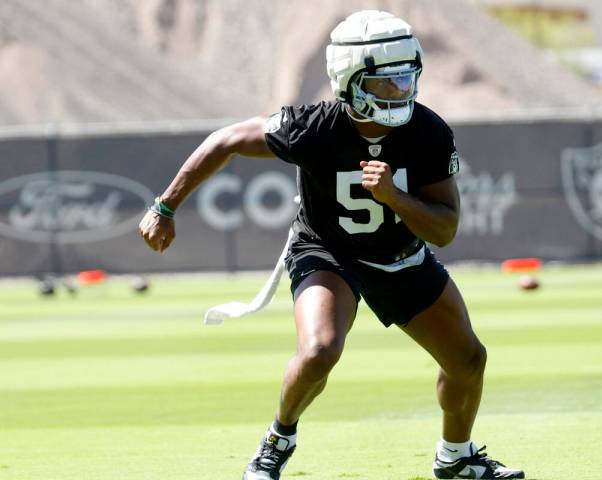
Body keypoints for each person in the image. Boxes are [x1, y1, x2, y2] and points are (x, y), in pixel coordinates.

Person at [139, 9, 525, 480]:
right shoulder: (314, 127)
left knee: (468, 359)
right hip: (327, 252)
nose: (400, 91)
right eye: (386, 84)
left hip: (399, 255)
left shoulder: (428, 131)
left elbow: (445, 229)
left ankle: (456, 456)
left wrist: (394, 198)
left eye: (406, 79)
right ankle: (277, 442)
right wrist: (164, 206)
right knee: (320, 349)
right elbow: (227, 140)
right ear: (350, 82)